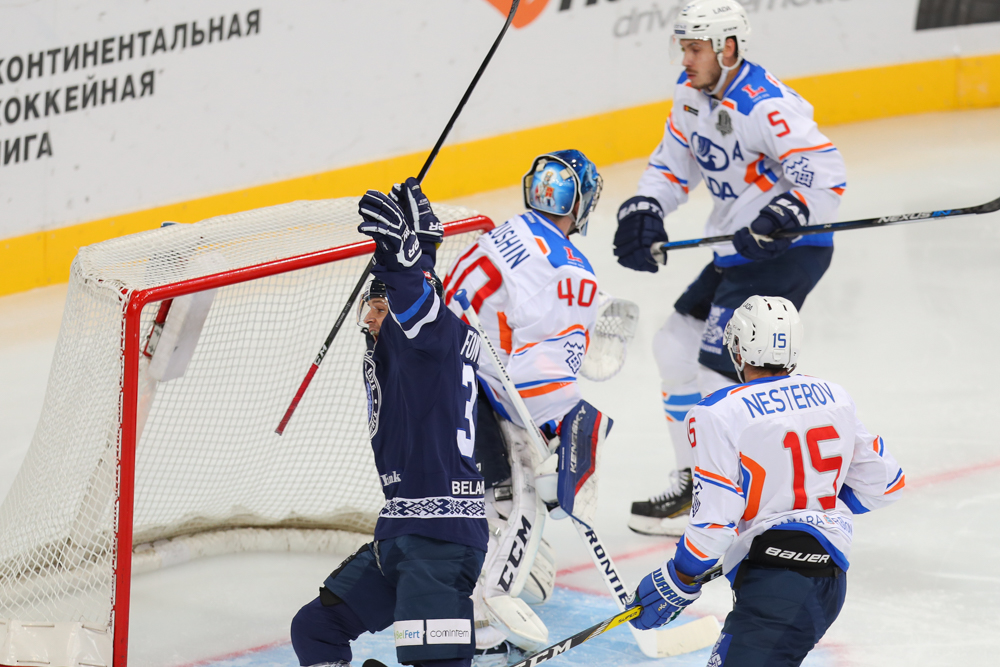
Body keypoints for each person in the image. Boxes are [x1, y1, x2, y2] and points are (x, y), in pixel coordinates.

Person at [614, 0, 848, 537]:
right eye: (684, 48)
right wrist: (647, 208)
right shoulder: (690, 96)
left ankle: (732, 502)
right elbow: (672, 164)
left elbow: (824, 172)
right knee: (674, 346)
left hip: (790, 250)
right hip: (739, 250)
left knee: (722, 374)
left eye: (696, 49)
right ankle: (696, 483)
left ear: (729, 48)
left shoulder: (765, 104)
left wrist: (785, 213)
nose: (686, 59)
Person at [626, 295, 904, 667]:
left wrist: (679, 576)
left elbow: (713, 526)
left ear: (739, 349)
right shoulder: (834, 396)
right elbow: (885, 484)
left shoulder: (717, 412)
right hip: (827, 578)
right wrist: (810, 504)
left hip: (779, 585)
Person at [290, 181, 488, 667]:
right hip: (401, 530)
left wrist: (402, 264)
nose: (371, 319)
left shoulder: (431, 339)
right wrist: (423, 254)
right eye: (371, 307)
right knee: (316, 629)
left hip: (439, 542)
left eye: (382, 309)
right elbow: (420, 301)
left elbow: (418, 305)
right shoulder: (419, 345)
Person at [442, 150, 613, 663]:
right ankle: (481, 627)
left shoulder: (506, 231)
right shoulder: (571, 270)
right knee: (526, 502)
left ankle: (459, 581)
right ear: (579, 203)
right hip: (473, 389)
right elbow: (539, 379)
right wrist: (561, 436)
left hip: (434, 376)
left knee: (480, 504)